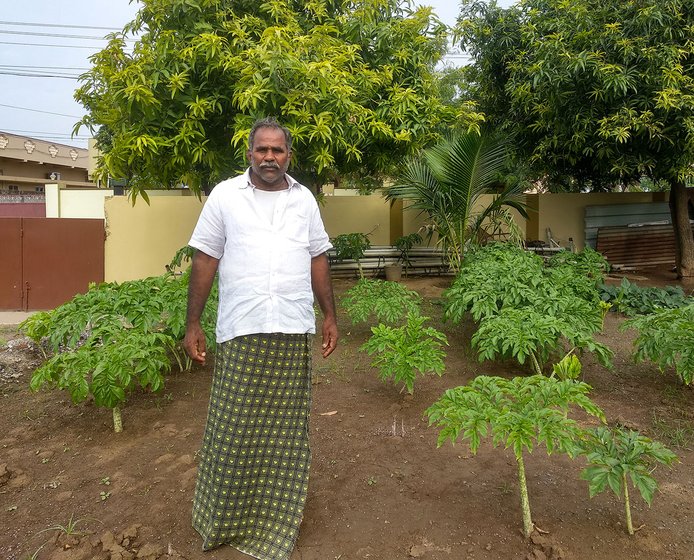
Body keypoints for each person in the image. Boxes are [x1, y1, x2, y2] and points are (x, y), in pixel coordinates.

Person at [183, 117, 338, 559]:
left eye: (278, 150)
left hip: (291, 328)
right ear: (249, 152)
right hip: (241, 329)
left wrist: (330, 315)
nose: (270, 157)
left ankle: (275, 525)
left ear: (289, 155)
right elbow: (205, 258)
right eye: (262, 150)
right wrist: (192, 324)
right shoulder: (225, 197)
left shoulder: (304, 199)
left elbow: (318, 260)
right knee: (234, 429)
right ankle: (224, 520)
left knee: (285, 435)